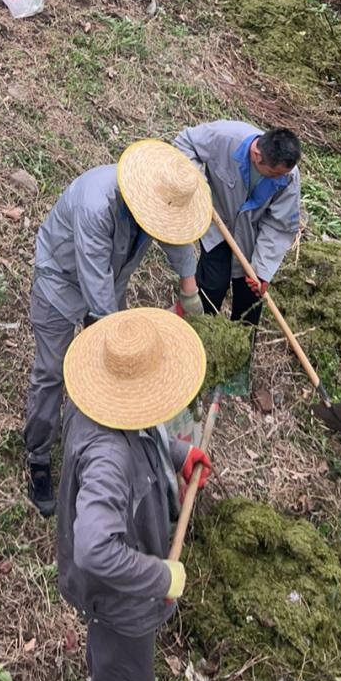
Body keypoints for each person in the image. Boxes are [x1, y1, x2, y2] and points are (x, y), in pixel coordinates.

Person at [24, 139, 211, 516]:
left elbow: (175, 242)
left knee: (123, 371)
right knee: (52, 372)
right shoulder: (97, 205)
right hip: (61, 281)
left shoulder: (157, 199)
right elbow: (94, 282)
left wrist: (189, 290)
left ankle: (122, 438)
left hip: (111, 281)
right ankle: (39, 457)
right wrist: (115, 347)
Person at [58, 308, 211, 681]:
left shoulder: (104, 403)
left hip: (115, 593)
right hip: (120, 598)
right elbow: (94, 548)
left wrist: (177, 454)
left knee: (111, 661)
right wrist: (161, 577)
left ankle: (105, 671)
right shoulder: (109, 456)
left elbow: (145, 435)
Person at [174, 120, 302, 323]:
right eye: (275, 174)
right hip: (217, 224)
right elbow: (185, 142)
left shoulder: (288, 176)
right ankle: (198, 335)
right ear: (257, 156)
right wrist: (198, 184)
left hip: (253, 236)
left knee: (251, 297)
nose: (281, 178)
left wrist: (262, 269)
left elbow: (279, 226)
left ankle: (241, 347)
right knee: (212, 285)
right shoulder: (224, 137)